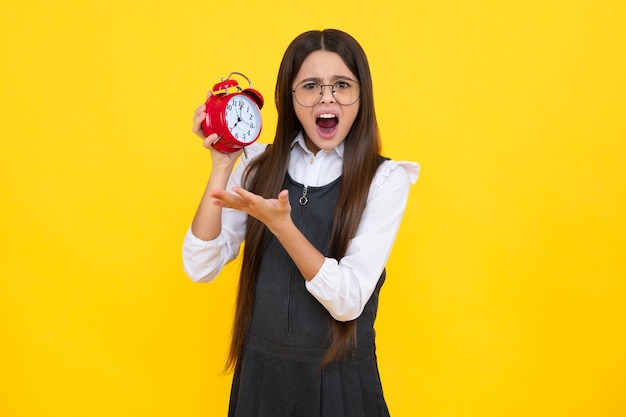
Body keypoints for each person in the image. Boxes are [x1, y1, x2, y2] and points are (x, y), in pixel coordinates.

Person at [183, 28, 419, 417]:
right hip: (263, 380)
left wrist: (283, 227)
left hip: (341, 383)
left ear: (361, 96)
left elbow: (348, 301)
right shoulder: (259, 166)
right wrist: (223, 165)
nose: (327, 97)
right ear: (289, 98)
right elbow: (200, 265)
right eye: (310, 86)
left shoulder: (385, 179)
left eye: (342, 85)